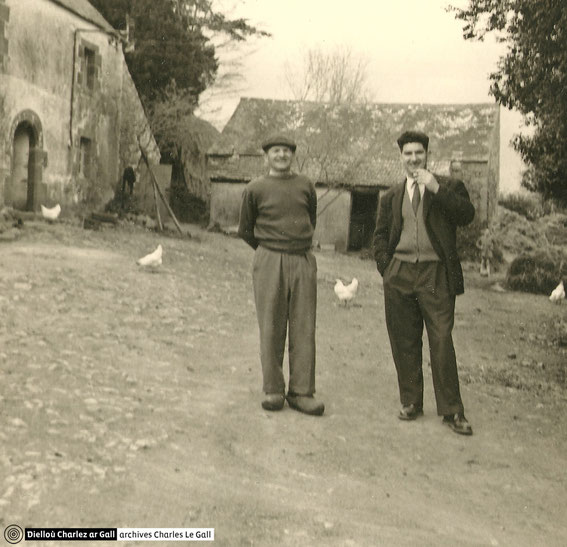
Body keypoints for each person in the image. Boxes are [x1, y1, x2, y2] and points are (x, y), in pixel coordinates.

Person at [373, 130, 475, 435]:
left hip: (436, 275)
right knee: (403, 340)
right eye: (408, 154)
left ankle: (452, 411)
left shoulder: (449, 186)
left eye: (419, 153)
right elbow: (379, 236)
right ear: (401, 157)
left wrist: (436, 187)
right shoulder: (391, 195)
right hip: (400, 273)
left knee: (442, 340)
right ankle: (411, 402)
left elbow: (467, 215)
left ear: (427, 155)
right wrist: (386, 267)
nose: (414, 158)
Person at [238, 134, 324, 416]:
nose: (281, 155)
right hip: (268, 259)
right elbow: (245, 228)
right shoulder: (255, 188)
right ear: (267, 157)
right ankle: (273, 389)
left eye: (287, 151)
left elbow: (310, 217)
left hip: (301, 260)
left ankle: (301, 392)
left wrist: (293, 245)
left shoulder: (305, 185)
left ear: (293, 155)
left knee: (303, 326)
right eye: (276, 151)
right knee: (271, 324)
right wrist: (269, 249)